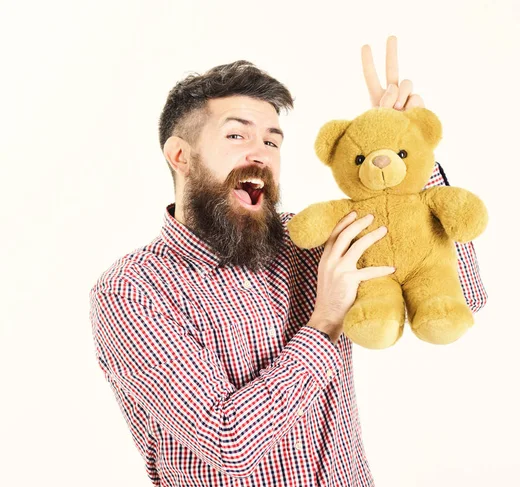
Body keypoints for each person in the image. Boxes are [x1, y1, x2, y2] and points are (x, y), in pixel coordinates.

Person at [89, 36, 485, 486]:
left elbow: (464, 296)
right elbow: (228, 443)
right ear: (181, 155)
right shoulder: (132, 291)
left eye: (272, 141)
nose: (260, 154)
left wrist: (403, 154)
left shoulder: (311, 242)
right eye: (237, 135)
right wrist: (326, 320)